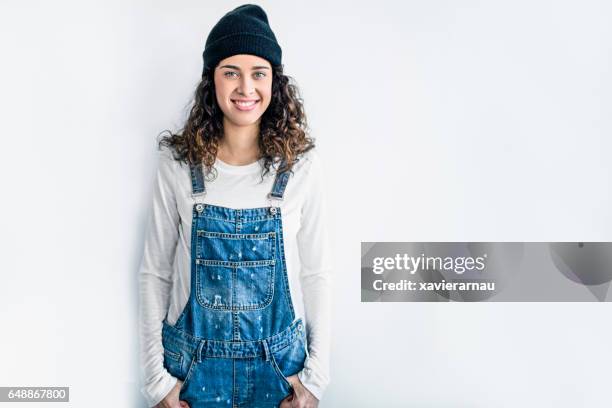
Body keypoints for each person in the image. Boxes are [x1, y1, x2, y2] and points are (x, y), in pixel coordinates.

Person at [137, 4, 332, 408]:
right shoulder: (177, 165)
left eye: (258, 73)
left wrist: (316, 381)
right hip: (190, 372)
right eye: (231, 72)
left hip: (280, 372)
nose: (246, 88)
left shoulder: (300, 168)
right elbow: (155, 273)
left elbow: (317, 274)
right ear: (212, 80)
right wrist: (156, 382)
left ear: (274, 83)